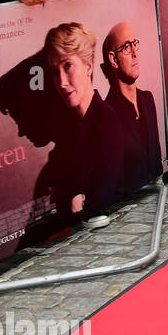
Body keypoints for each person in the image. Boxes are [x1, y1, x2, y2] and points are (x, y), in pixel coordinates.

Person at [43, 23, 124, 228]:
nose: (61, 82)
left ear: (88, 66)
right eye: (54, 71)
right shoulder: (67, 130)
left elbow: (101, 196)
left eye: (67, 65)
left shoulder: (107, 121)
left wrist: (75, 196)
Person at [100, 22, 161, 195]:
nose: (135, 53)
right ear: (113, 59)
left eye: (135, 44)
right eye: (127, 47)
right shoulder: (106, 115)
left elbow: (156, 161)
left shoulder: (148, 100)